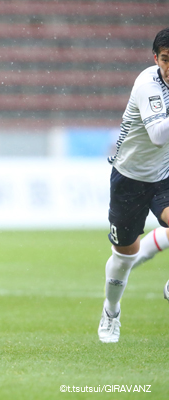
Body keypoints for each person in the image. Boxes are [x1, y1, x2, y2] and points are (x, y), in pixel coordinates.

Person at [98, 27, 169, 343]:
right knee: (125, 257)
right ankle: (111, 311)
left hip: (164, 174)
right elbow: (158, 136)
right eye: (166, 59)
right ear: (155, 59)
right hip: (129, 178)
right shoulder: (147, 84)